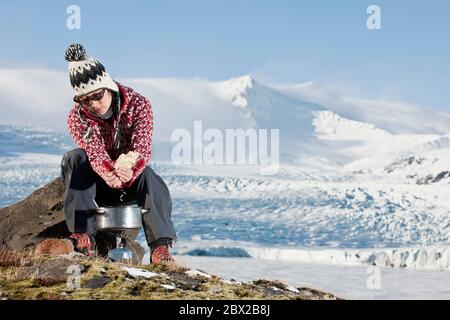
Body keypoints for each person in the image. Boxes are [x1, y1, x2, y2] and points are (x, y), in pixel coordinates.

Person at [60, 44, 176, 263]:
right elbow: (94, 152)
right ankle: (83, 234)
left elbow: (141, 147)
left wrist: (129, 172)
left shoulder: (139, 105)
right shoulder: (77, 118)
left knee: (150, 178)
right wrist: (108, 173)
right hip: (96, 185)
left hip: (130, 182)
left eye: (97, 95)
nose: (93, 104)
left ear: (108, 86)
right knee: (75, 157)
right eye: (85, 100)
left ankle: (161, 246)